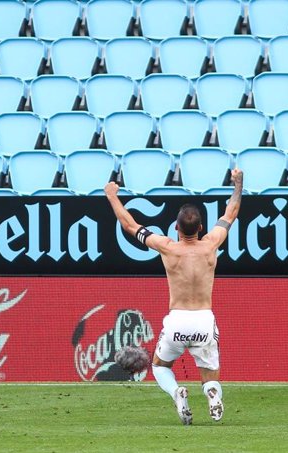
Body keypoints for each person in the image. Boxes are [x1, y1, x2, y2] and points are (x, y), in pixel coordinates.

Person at [104, 169, 244, 425]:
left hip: (177, 321)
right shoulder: (212, 243)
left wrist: (112, 196)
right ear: (201, 227)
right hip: (204, 319)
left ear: (176, 227)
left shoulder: (166, 247)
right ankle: (212, 394)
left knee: (159, 366)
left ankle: (176, 392)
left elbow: (130, 225)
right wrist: (238, 184)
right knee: (211, 376)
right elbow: (230, 212)